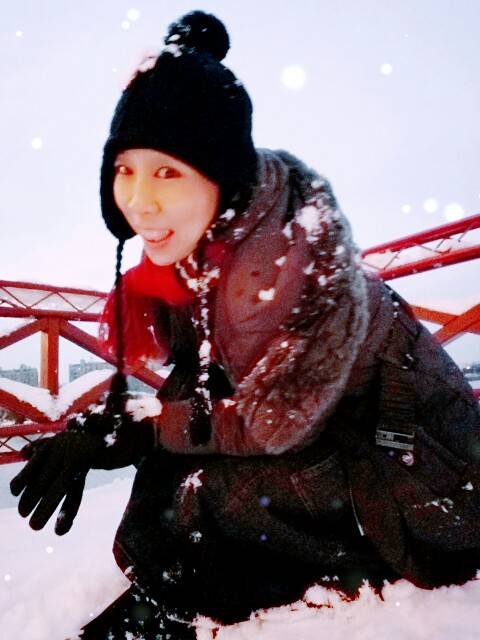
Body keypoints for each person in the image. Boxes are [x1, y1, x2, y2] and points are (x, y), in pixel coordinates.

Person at [9, 10, 480, 640]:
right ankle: (187, 583)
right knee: (177, 467)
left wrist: (142, 432)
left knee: (206, 492)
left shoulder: (287, 266)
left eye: (168, 172)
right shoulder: (215, 242)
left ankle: (208, 600)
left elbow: (270, 424)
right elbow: (195, 375)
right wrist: (111, 424)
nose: (140, 200)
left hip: (430, 487)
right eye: (126, 169)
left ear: (220, 175)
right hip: (351, 432)